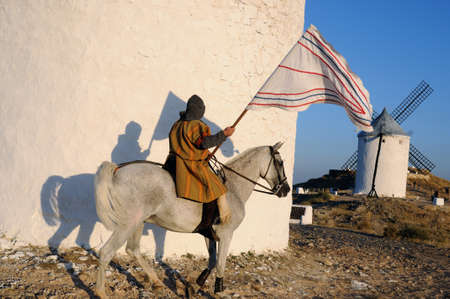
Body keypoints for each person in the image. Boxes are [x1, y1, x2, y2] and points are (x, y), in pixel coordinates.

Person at [163, 95, 235, 223]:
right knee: (219, 188)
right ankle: (223, 219)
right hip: (189, 165)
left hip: (171, 163)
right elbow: (203, 143)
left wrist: (203, 153)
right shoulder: (195, 125)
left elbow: (187, 145)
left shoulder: (177, 124)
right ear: (200, 110)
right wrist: (224, 134)